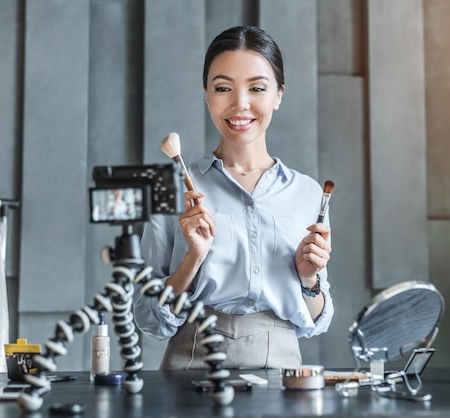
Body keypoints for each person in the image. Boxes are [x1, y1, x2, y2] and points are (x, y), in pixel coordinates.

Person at [133, 25, 334, 370]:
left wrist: (308, 279)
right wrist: (192, 260)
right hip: (191, 366)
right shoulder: (171, 186)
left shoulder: (310, 193)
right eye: (223, 88)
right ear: (207, 94)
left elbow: (315, 321)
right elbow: (149, 321)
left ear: (279, 95)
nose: (240, 104)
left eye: (257, 88)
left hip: (283, 372)